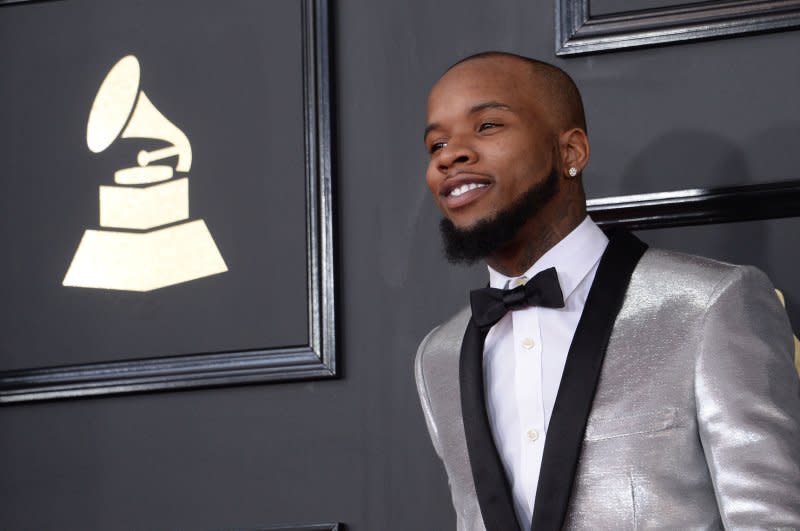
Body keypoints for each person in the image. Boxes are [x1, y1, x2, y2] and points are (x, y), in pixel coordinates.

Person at [414, 51, 800, 531]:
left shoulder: (711, 304)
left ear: (570, 152)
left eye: (488, 126)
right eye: (436, 144)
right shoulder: (438, 357)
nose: (451, 155)